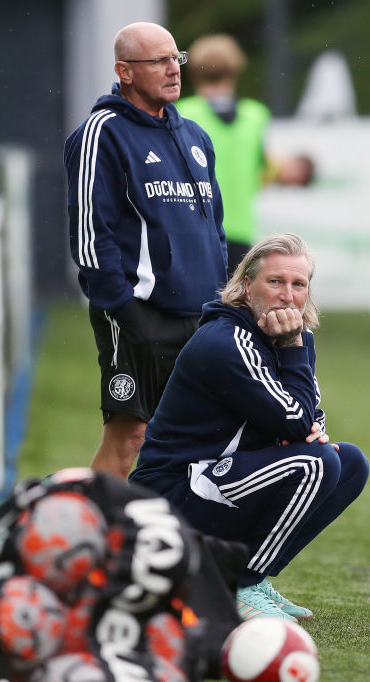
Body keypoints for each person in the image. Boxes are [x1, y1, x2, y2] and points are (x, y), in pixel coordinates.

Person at [129, 233, 369, 622]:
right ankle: (238, 584)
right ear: (246, 287)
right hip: (172, 496)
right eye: (274, 282)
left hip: (219, 482)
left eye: (298, 284)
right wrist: (293, 351)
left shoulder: (294, 338)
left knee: (351, 462)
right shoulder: (228, 341)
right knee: (316, 463)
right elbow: (294, 419)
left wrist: (303, 407)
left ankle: (254, 582)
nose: (287, 295)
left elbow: (310, 418)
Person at [63, 22, 228, 480]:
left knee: (203, 439)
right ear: (125, 71)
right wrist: (123, 309)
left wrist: (223, 303)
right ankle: (90, 540)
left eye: (177, 58)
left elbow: (214, 227)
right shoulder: (102, 132)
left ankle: (176, 541)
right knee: (129, 437)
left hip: (203, 316)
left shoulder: (196, 136)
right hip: (139, 313)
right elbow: (90, 232)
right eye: (159, 61)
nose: (173, 70)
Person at [176, 35, 313, 277]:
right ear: (235, 71)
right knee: (232, 308)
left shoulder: (183, 113)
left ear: (194, 72)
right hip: (239, 230)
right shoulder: (256, 116)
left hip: (192, 229)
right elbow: (265, 169)